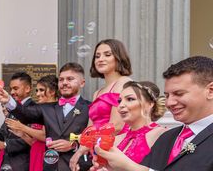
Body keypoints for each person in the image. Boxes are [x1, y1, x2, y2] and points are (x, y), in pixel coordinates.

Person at [93, 56, 213, 171]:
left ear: (210, 91)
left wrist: (133, 168)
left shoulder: (159, 134)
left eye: (179, 93)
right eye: (167, 96)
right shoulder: (167, 138)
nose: (169, 103)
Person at [0, 62, 91, 171]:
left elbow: (95, 137)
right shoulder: (47, 108)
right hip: (50, 166)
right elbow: (25, 114)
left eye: (70, 79)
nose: (64, 83)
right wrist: (8, 101)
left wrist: (74, 145)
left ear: (82, 83)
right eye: (61, 79)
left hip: (77, 166)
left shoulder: (90, 107)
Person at [70, 39, 132, 168]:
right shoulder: (98, 92)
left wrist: (88, 143)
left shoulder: (124, 82)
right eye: (97, 56)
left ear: (119, 58)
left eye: (107, 55)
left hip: (118, 148)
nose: (100, 59)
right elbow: (90, 128)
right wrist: (80, 150)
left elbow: (117, 125)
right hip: (98, 150)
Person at [5, 74, 59, 171]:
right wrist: (23, 135)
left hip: (48, 155)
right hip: (36, 153)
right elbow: (35, 142)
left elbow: (45, 136)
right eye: (37, 90)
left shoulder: (54, 109)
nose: (38, 94)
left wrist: (22, 127)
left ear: (52, 91)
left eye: (41, 90)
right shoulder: (41, 109)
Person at [110, 81, 166, 164]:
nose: (121, 105)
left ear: (150, 104)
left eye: (130, 99)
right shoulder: (117, 139)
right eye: (119, 101)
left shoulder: (161, 134)